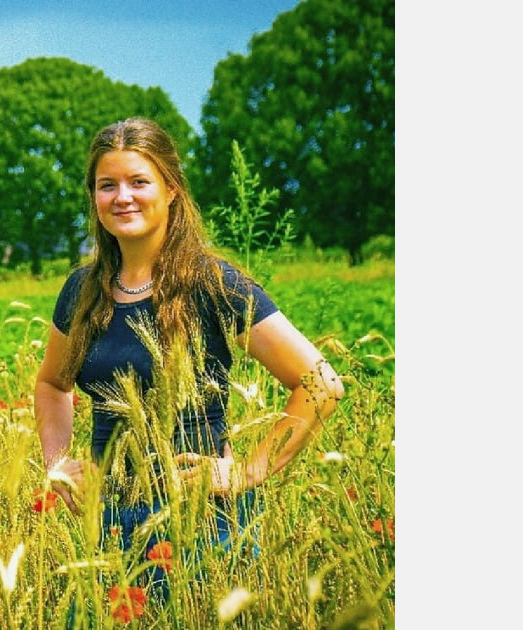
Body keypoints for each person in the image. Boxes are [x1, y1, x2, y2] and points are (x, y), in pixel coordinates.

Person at [33, 118, 344, 585]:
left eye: (139, 181)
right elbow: (52, 384)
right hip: (112, 520)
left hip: (205, 522)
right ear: (93, 196)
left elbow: (321, 383)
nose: (123, 197)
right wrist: (57, 464)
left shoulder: (214, 284)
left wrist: (248, 471)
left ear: (172, 190)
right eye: (107, 185)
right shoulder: (82, 289)